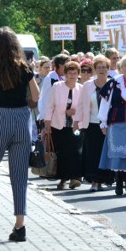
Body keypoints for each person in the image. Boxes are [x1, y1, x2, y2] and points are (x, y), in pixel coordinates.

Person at [0, 27, 40, 242]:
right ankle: (20, 225)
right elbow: (36, 96)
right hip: (21, 120)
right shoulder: (24, 68)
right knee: (19, 176)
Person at [98, 55, 126, 196]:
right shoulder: (113, 82)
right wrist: (103, 121)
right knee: (118, 153)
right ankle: (119, 182)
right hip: (117, 122)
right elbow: (105, 103)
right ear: (121, 67)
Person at [44, 61, 83, 190]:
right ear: (65, 74)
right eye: (70, 73)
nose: (72, 75)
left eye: (75, 73)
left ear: (78, 74)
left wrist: (75, 111)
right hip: (58, 125)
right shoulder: (57, 86)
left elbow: (84, 108)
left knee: (74, 152)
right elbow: (50, 105)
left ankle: (74, 178)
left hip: (74, 125)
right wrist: (47, 122)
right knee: (62, 152)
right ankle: (63, 179)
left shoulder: (81, 88)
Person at [76, 55, 113, 192]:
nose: (101, 70)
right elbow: (81, 105)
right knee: (92, 153)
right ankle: (94, 181)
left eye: (104, 67)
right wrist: (76, 122)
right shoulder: (87, 85)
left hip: (108, 125)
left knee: (105, 153)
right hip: (91, 124)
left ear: (108, 69)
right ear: (95, 69)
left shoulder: (113, 84)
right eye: (99, 67)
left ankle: (102, 180)